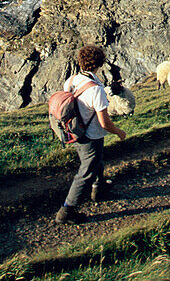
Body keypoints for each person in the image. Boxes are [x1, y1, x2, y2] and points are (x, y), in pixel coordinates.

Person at [55, 44, 127, 224]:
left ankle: (99, 188)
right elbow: (104, 122)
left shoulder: (71, 80)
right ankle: (66, 211)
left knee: (96, 160)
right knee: (86, 171)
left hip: (75, 131)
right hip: (91, 135)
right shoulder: (96, 89)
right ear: (100, 63)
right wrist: (119, 132)